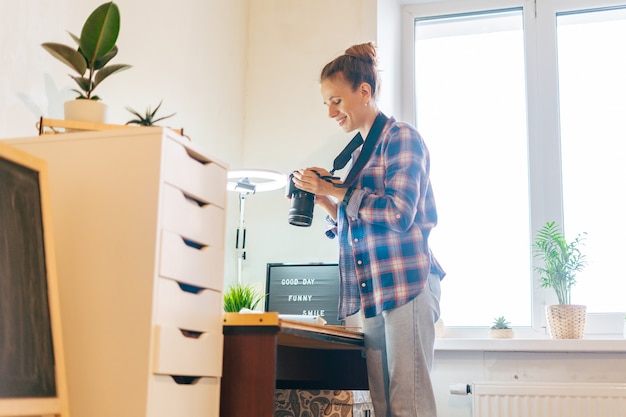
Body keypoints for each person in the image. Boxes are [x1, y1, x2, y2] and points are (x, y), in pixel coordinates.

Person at [291, 42, 445, 417]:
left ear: (364, 92)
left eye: (337, 101)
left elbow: (398, 214)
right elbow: (357, 220)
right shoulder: (360, 155)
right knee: (383, 406)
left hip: (407, 283)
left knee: (409, 404)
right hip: (373, 289)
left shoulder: (401, 138)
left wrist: (333, 189)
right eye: (326, 103)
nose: (331, 113)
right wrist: (323, 199)